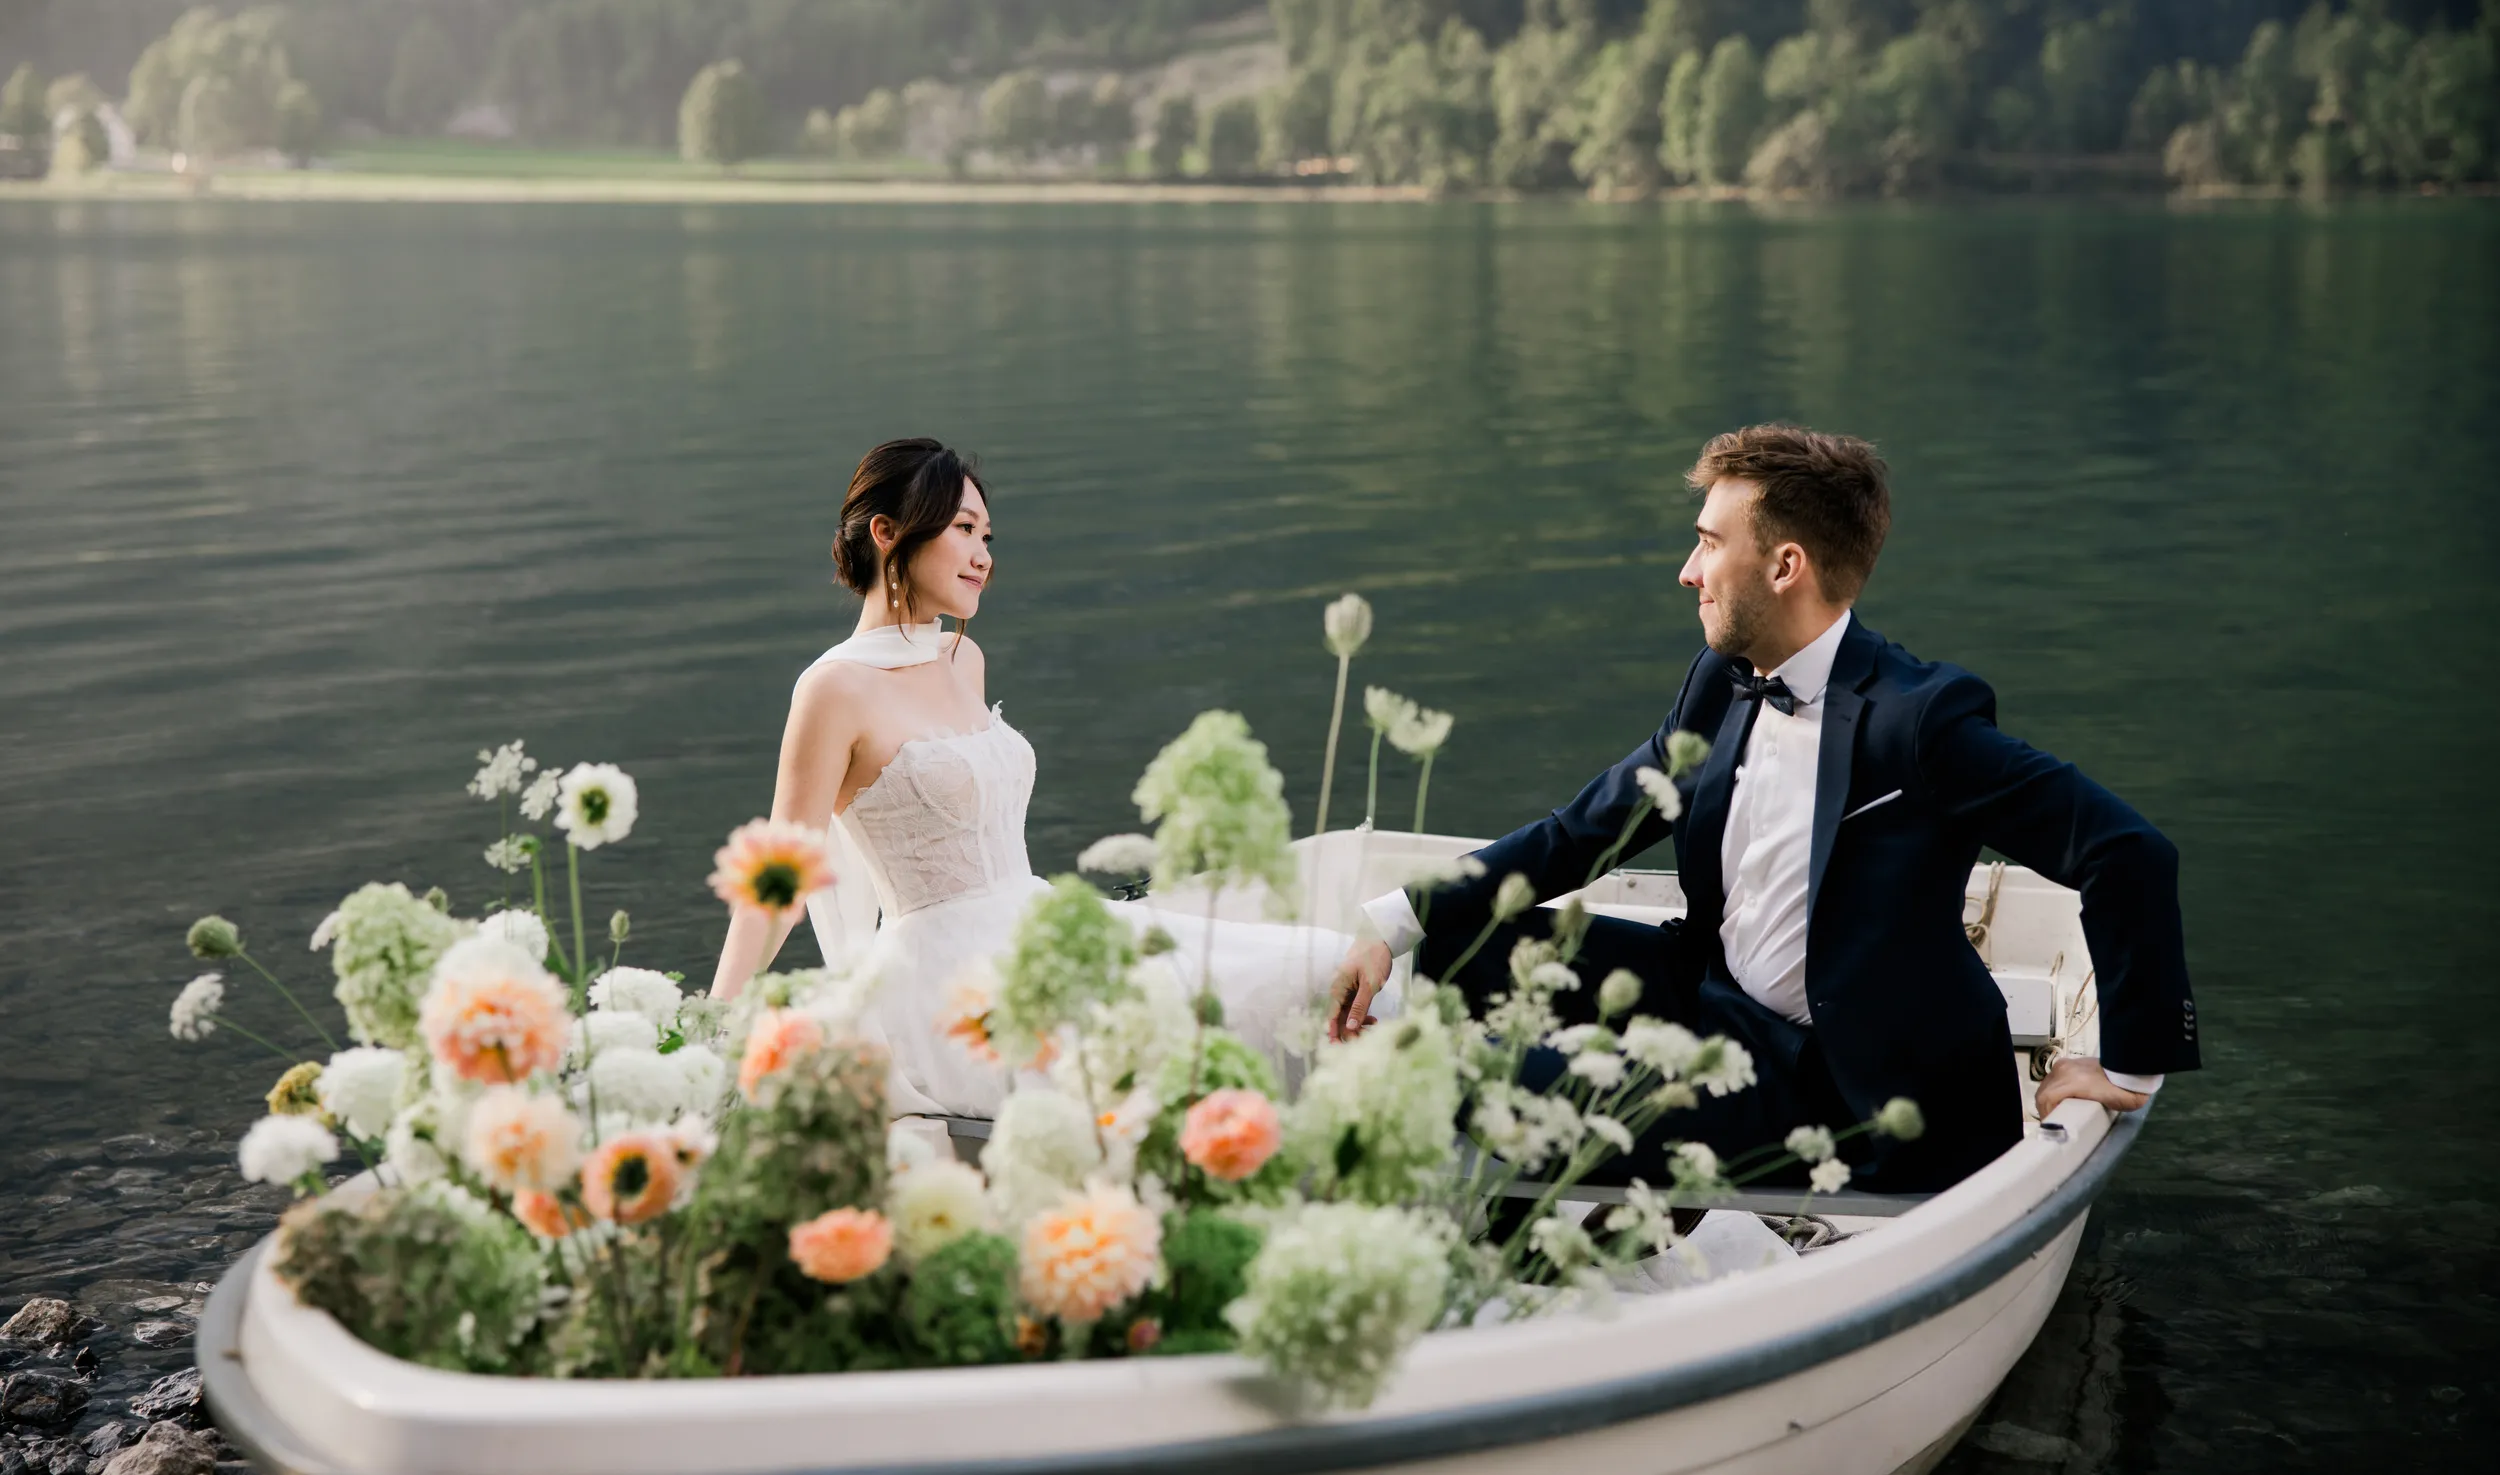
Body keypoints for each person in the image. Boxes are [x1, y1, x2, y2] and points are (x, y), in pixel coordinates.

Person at [1326, 424, 2197, 1192]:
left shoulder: (1920, 721)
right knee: (1457, 944)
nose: (1686, 570)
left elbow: (2126, 850)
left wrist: (2130, 1064)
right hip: (1706, 992)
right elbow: (1586, 828)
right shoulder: (1721, 681)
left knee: (1504, 1088)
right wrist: (1398, 920)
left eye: (1709, 543)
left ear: (1787, 566)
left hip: (1834, 1080)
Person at [708, 436, 1375, 1118]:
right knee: (1179, 1024)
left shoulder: (962, 660)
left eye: (987, 535)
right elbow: (778, 882)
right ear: (885, 532)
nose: (983, 555)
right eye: (963, 529)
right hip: (949, 981)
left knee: (1321, 965)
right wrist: (713, 1028)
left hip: (1037, 922)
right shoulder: (832, 689)